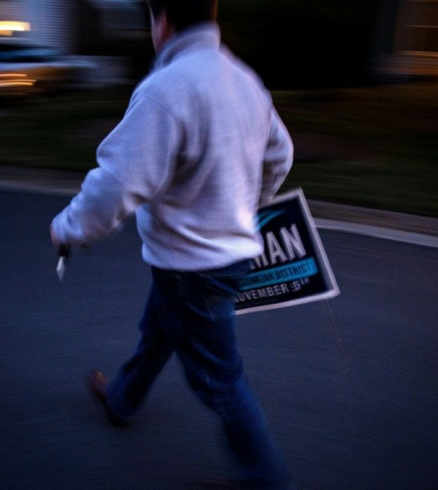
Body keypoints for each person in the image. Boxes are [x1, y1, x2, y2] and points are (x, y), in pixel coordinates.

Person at [50, 0, 294, 487]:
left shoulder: (166, 90)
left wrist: (67, 228)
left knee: (220, 380)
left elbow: (116, 185)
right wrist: (246, 204)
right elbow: (280, 155)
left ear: (161, 21)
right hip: (218, 259)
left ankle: (269, 479)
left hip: (192, 267)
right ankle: (123, 399)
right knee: (160, 328)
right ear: (214, 14)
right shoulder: (244, 79)